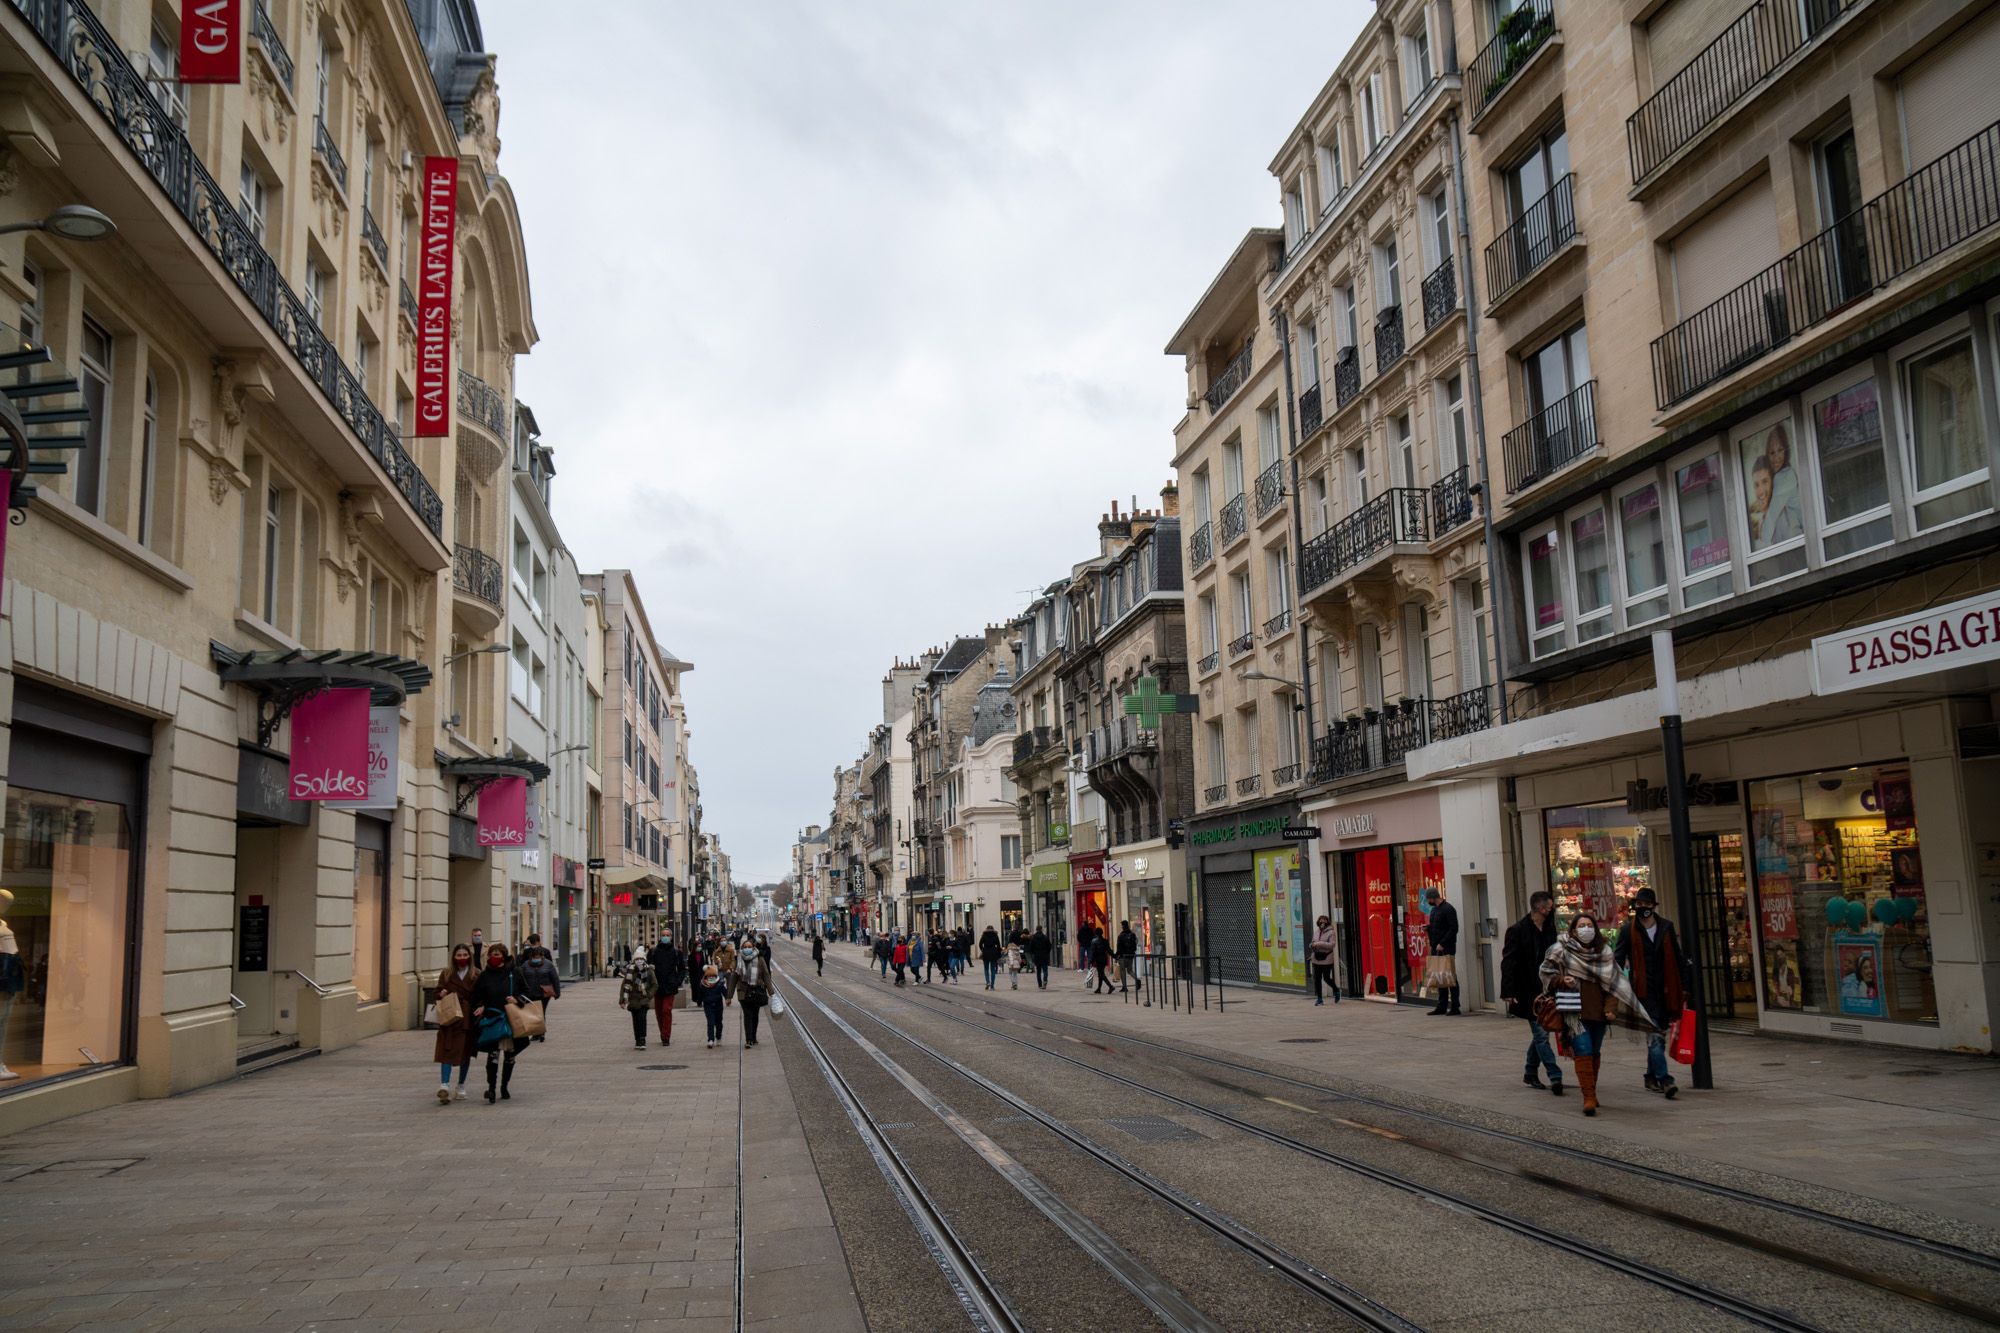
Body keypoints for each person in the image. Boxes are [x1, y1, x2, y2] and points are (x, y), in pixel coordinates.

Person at [1540, 913, 1653, 1117]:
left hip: (1598, 1012)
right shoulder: (1561, 950)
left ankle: (1592, 1089)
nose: (1586, 929)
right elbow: (1546, 972)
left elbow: (1614, 985)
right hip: (1574, 1012)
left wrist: (1611, 1008)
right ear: (1573, 930)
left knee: (1594, 1051)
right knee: (1583, 1049)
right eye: (1581, 926)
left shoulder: (1604, 953)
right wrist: (1560, 980)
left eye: (1589, 925)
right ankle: (1588, 1096)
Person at [1613, 887, 1690, 1099]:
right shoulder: (1628, 931)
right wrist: (1615, 984)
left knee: (1657, 1036)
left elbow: (1677, 956)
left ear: (1653, 907)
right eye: (1639, 905)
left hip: (1666, 990)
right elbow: (1618, 959)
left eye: (1647, 905)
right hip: (1643, 992)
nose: (1643, 909)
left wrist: (1684, 985)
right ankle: (1666, 1080)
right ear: (1635, 907)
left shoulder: (1666, 927)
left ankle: (1649, 1076)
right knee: (1655, 1036)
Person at [1501, 890, 1563, 1094]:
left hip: (1546, 989)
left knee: (1541, 1032)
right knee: (1542, 1034)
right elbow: (1508, 962)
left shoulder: (1549, 929)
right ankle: (1555, 1075)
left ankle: (1530, 1072)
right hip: (1527, 991)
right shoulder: (1517, 930)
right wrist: (1508, 991)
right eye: (1548, 906)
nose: (1551, 909)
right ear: (1538, 908)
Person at [470, 942, 532, 1103]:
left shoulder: (515, 973)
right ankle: (491, 1088)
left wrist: (517, 1000)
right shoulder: (485, 975)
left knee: (510, 1056)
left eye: (497, 955)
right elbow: (476, 996)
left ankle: (504, 1087)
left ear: (504, 956)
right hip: (492, 1019)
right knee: (493, 1056)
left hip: (512, 1019)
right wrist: (481, 1006)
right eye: (492, 954)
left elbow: (527, 992)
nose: (494, 957)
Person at [432, 943, 479, 1103]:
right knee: (447, 1050)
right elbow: (437, 993)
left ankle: (460, 1085)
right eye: (459, 955)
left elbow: (481, 995)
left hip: (468, 1019)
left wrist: (481, 1007)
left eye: (465, 955)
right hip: (450, 1019)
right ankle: (444, 1084)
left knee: (465, 1052)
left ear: (469, 957)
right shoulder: (446, 974)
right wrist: (441, 993)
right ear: (453, 957)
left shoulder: (476, 974)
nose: (462, 958)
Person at [518, 934, 561, 1042]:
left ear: (542, 955)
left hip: (544, 992)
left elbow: (555, 978)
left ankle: (541, 1033)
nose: (536, 958)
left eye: (538, 956)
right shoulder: (525, 965)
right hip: (530, 992)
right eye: (534, 957)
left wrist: (557, 992)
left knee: (541, 1012)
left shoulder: (548, 964)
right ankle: (536, 1033)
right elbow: (520, 978)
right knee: (533, 1012)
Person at [1425, 888, 1461, 1016]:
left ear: (1434, 897)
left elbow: (1454, 928)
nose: (1428, 901)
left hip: (1447, 948)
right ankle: (1442, 1005)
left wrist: (1443, 943)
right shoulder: (1434, 910)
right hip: (1436, 948)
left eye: (1429, 898)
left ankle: (1455, 1006)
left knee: (1450, 976)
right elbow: (1436, 927)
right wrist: (1428, 929)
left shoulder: (1448, 909)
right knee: (1440, 977)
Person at [648, 933, 685, 1047]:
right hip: (657, 986)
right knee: (659, 1012)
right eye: (663, 935)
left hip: (670, 986)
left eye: (668, 935)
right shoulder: (653, 952)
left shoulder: (676, 952)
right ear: (660, 937)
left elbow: (682, 969)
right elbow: (648, 968)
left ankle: (666, 1036)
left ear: (671, 937)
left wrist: (677, 981)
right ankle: (663, 1032)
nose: (665, 937)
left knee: (666, 1010)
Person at [619, 952, 657, 1050]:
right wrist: (622, 1000)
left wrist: (649, 995)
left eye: (641, 959)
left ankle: (642, 1039)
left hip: (643, 1000)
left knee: (642, 1019)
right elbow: (625, 986)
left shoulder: (649, 971)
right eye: (637, 959)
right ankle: (637, 1040)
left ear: (644, 960)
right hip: (633, 1000)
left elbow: (654, 984)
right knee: (635, 1020)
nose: (639, 961)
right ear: (634, 960)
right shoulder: (630, 971)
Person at [737, 948, 772, 1047]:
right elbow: (735, 977)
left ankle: (753, 1037)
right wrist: (729, 996)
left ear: (753, 948)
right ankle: (749, 1040)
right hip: (744, 992)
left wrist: (771, 992)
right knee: (747, 1015)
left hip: (757, 991)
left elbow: (766, 975)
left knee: (755, 1016)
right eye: (745, 946)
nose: (747, 948)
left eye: (749, 946)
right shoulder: (739, 959)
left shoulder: (760, 959)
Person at [1308, 914, 1340, 1005]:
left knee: (1326, 978)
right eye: (1320, 920)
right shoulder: (1317, 931)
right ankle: (1319, 999)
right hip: (1316, 958)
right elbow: (1313, 942)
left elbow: (1332, 945)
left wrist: (1319, 944)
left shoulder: (1331, 932)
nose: (1322, 922)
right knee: (1317, 978)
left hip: (1327, 958)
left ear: (1327, 922)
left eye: (1324, 920)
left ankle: (1336, 990)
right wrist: (1312, 945)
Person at [1086, 929, 1113, 994]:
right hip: (1104, 958)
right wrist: (1114, 956)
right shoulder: (1105, 941)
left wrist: (1090, 961)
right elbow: (1109, 950)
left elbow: (1092, 952)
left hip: (1098, 959)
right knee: (1100, 973)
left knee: (1101, 974)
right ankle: (1099, 988)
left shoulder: (1094, 941)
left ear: (1096, 934)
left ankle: (1110, 986)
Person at [1114, 920, 1138, 993]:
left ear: (1123, 927)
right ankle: (1137, 980)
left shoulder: (1121, 936)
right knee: (1130, 970)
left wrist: (1116, 956)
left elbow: (1119, 947)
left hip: (1123, 956)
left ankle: (1124, 987)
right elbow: (1135, 944)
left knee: (1122, 971)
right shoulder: (1132, 935)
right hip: (1130, 955)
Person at [978, 926, 1003, 990]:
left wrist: (983, 950)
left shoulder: (984, 935)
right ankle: (992, 985)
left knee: (986, 969)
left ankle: (987, 982)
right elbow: (998, 945)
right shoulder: (995, 935)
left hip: (986, 953)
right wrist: (998, 954)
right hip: (993, 953)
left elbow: (980, 944)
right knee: (993, 970)